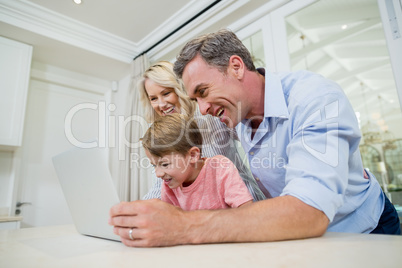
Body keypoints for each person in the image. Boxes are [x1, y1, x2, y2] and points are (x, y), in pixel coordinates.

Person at [110, 29, 400, 247]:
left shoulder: (315, 99)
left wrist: (183, 226)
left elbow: (309, 211)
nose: (202, 108)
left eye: (202, 92)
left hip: (367, 229)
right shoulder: (233, 117)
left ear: (236, 67)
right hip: (304, 237)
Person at [137, 61, 265, 201]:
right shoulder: (163, 136)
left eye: (166, 93)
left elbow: (252, 136)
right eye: (154, 99)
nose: (161, 104)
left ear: (180, 89)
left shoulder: (209, 112)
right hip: (206, 212)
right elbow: (161, 185)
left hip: (242, 200)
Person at [142, 113, 253, 210]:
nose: (158, 174)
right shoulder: (169, 186)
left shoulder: (220, 169)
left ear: (193, 155)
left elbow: (246, 210)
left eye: (165, 164)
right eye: (154, 166)